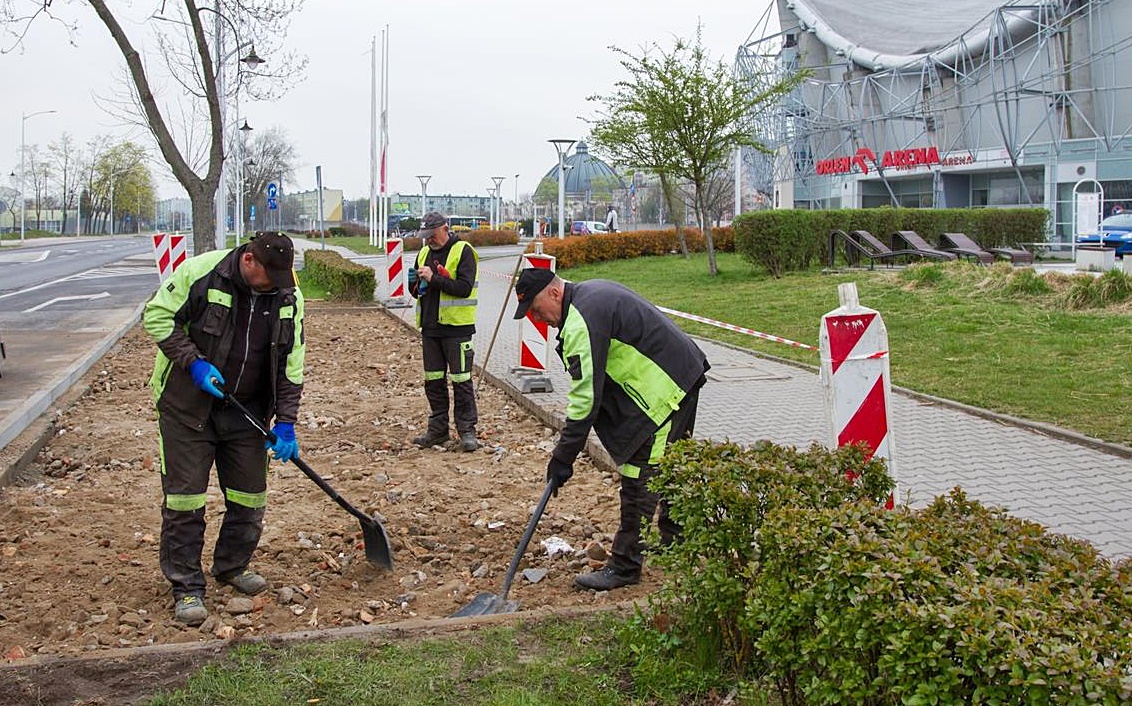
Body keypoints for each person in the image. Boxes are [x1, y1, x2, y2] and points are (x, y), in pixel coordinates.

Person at [143, 231, 306, 626]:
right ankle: (186, 587)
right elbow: (156, 316)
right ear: (249, 261)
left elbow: (291, 362)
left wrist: (286, 422)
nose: (276, 286)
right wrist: (193, 362)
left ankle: (232, 566)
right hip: (187, 407)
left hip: (246, 410)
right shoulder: (202, 273)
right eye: (270, 277)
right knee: (185, 501)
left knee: (250, 496)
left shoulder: (287, 294)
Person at [512, 268, 709, 591]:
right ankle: (676, 542)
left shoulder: (581, 321)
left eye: (535, 308)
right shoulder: (588, 295)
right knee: (672, 468)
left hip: (666, 390)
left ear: (554, 293)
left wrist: (563, 457)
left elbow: (585, 399)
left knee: (639, 475)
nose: (537, 318)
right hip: (683, 371)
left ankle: (625, 566)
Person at [407, 211, 481, 452]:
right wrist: (413, 283)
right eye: (425, 235)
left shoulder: (463, 251)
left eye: (432, 234)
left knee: (461, 381)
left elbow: (464, 288)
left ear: (445, 229)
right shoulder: (424, 253)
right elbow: (417, 292)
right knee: (433, 381)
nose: (429, 239)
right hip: (430, 328)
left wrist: (434, 279)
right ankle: (437, 430)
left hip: (457, 329)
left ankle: (467, 431)